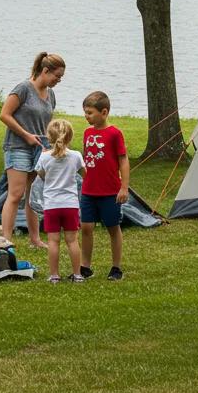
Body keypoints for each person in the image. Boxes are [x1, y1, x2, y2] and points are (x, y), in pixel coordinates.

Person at [0, 52, 66, 246]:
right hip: (17, 146)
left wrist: (54, 141)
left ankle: (35, 239)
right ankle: (6, 241)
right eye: (57, 76)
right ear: (45, 71)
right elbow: (4, 115)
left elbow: (46, 121)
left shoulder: (50, 94)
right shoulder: (23, 89)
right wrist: (26, 135)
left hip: (41, 148)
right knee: (16, 194)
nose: (58, 81)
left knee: (33, 194)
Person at [79, 90, 130, 281]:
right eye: (85, 112)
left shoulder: (114, 134)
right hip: (88, 190)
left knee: (112, 227)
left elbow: (123, 160)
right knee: (86, 227)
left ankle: (116, 267)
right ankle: (85, 266)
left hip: (110, 191)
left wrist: (123, 187)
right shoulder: (87, 133)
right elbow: (86, 159)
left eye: (90, 113)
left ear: (104, 112)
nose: (86, 116)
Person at [35, 118, 86, 283]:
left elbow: (41, 175)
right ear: (70, 137)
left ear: (49, 137)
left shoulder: (44, 157)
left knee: (53, 241)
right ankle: (77, 274)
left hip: (51, 205)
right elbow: (85, 175)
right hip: (70, 205)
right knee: (72, 240)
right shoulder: (76, 156)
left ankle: (55, 275)